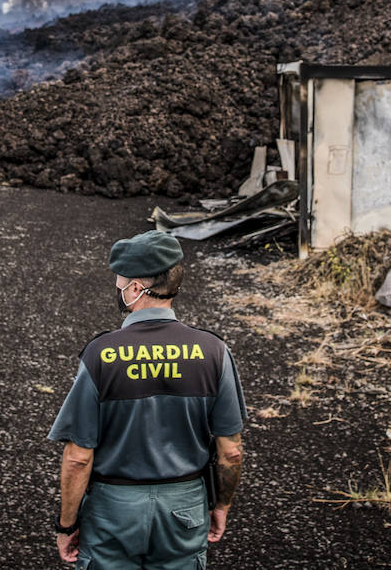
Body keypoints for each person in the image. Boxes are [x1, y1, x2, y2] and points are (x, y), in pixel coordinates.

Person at [49, 230, 246, 568]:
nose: (116, 286)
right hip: (184, 506)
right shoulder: (214, 351)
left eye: (120, 280)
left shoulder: (100, 354)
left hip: (114, 508)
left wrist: (66, 524)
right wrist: (221, 507)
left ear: (136, 288)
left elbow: (78, 458)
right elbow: (230, 451)